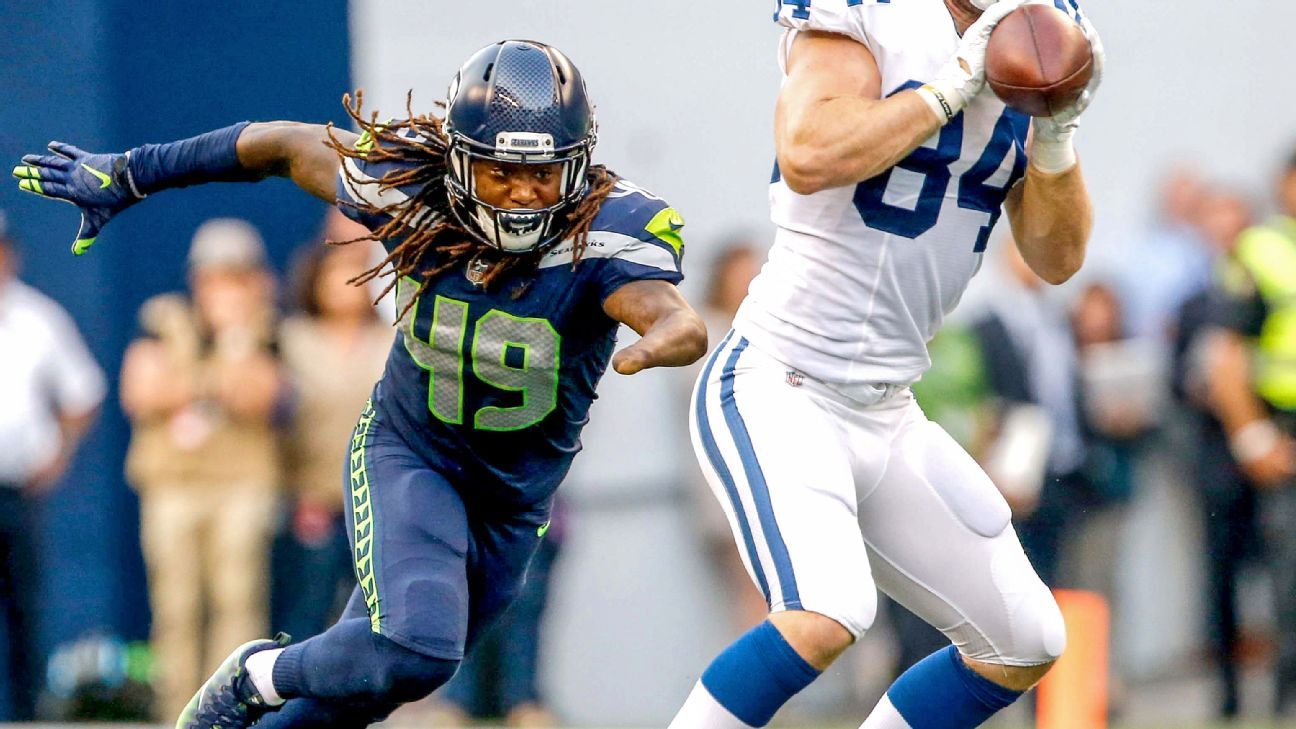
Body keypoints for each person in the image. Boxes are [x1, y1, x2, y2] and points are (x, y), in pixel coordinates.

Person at [14, 39, 706, 729]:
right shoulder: (409, 187)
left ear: (577, 167)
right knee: (416, 651)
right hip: (415, 452)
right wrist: (133, 174)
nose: (523, 193)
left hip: (514, 499)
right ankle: (256, 673)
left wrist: (671, 336)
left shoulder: (611, 230)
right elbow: (278, 144)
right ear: (460, 161)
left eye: (542, 173)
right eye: (499, 171)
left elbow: (663, 309)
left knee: (370, 683)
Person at [668, 1, 1103, 727]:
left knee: (1024, 639)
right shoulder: (877, 14)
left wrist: (1054, 137)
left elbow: (1056, 258)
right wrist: (943, 90)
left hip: (888, 408)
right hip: (782, 379)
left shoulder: (1044, 28)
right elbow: (806, 151)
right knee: (824, 613)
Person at [118, 218, 287, 722]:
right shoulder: (163, 318)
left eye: (238, 275)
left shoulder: (265, 328)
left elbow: (260, 396)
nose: (225, 287)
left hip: (242, 485)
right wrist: (213, 378)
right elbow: (142, 393)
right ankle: (177, 713)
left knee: (239, 606)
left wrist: (228, 347)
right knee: (175, 607)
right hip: (173, 484)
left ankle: (234, 714)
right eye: (216, 274)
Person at [0, 216, 106, 720]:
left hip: (16, 490)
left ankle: (23, 717)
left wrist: (58, 453)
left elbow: (83, 392)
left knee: (23, 608)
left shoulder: (38, 317)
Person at [1206, 150, 1296, 719]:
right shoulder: (1262, 251)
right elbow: (1226, 357)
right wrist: (1253, 437)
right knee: (1288, 577)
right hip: (1283, 428)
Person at [276, 215, 392, 643]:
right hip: (314, 493)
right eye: (336, 276)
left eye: (356, 277)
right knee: (311, 600)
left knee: (377, 606)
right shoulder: (292, 338)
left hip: (376, 497)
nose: (347, 287)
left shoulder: (389, 341)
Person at [1169, 188, 1256, 717]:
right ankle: (1228, 692)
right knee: (1219, 576)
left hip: (1272, 448)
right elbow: (1173, 380)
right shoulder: (1193, 304)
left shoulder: (1270, 286)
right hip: (1216, 457)